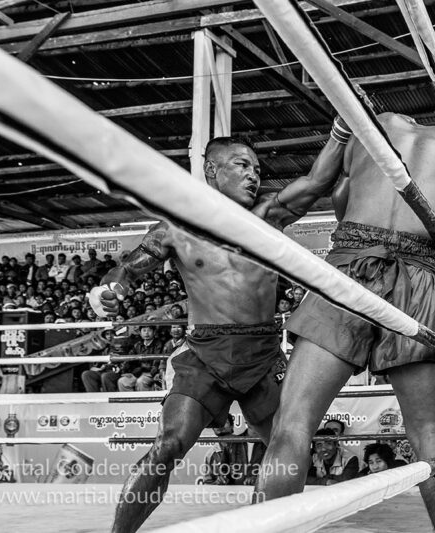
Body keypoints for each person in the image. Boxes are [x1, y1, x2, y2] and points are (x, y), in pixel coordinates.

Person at [89, 130, 347, 532]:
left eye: (257, 169)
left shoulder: (267, 217)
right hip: (205, 353)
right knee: (168, 445)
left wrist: (342, 130)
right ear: (212, 170)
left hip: (262, 354)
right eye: (241, 165)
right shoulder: (175, 227)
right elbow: (129, 269)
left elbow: (316, 181)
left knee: (288, 447)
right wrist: (106, 289)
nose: (253, 176)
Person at [257, 112, 435, 532]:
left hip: (351, 263)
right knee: (429, 431)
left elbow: (331, 193)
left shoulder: (365, 123)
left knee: (293, 424)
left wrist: (344, 140)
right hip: (418, 276)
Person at [202, 415, 265, 486]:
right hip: (230, 494)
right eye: (216, 424)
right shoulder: (211, 454)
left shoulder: (263, 445)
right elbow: (209, 482)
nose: (220, 426)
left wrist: (257, 479)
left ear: (232, 426)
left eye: (224, 422)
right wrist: (220, 482)